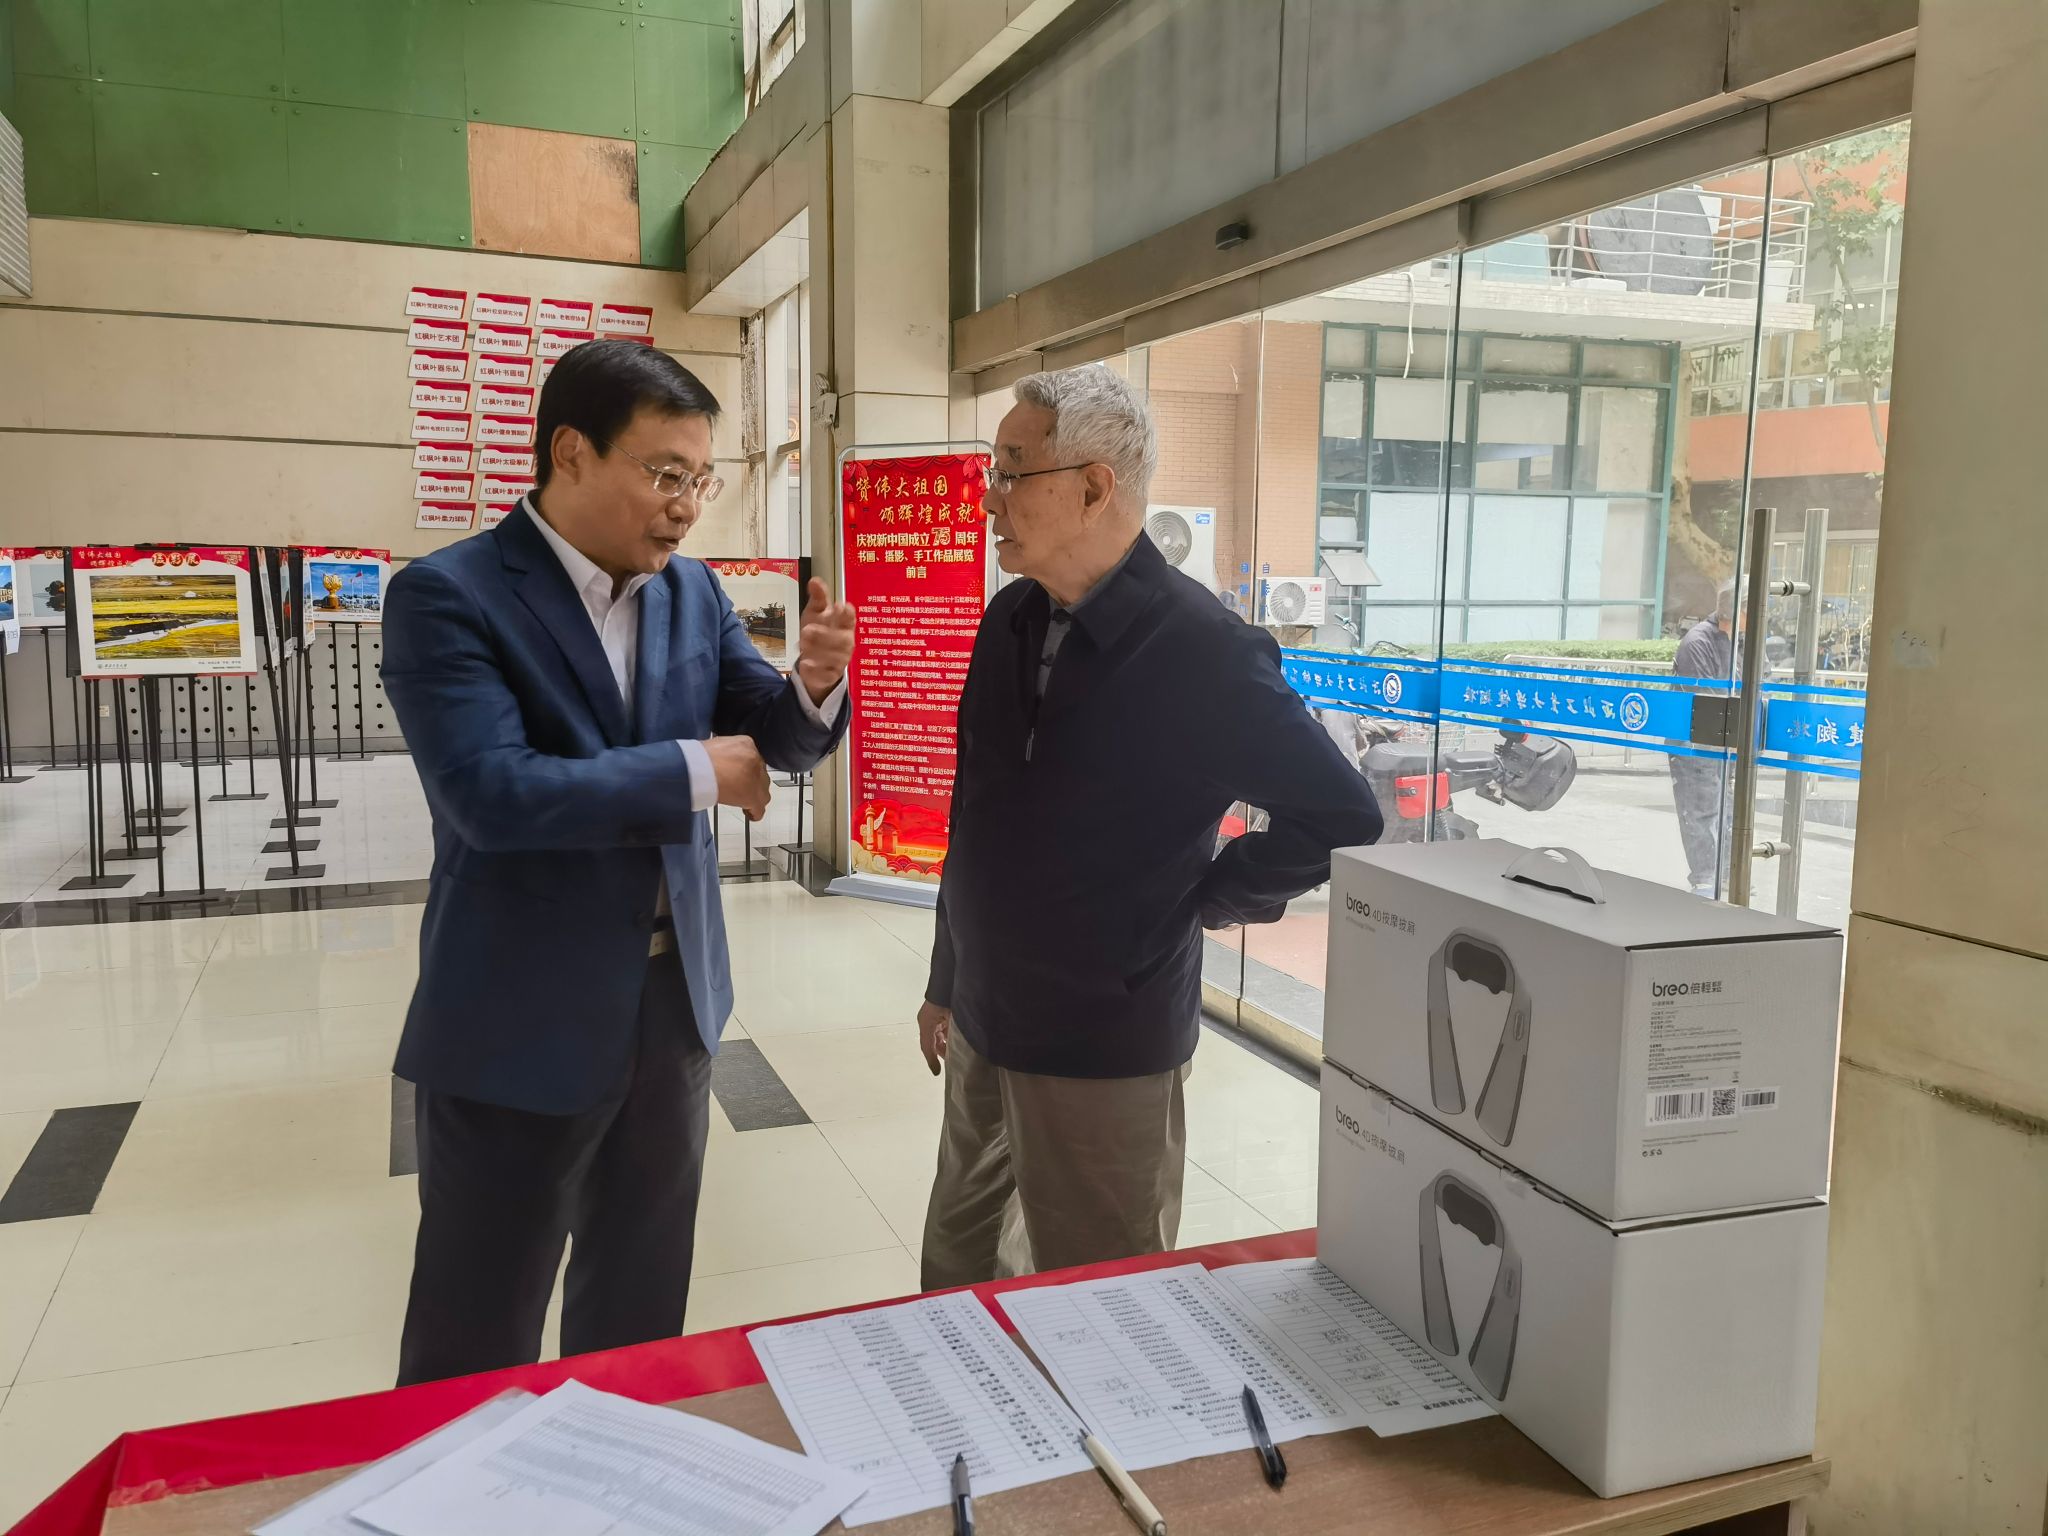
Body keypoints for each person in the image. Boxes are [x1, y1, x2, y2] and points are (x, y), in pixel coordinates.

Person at [381, 339, 854, 1385]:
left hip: (671, 1008)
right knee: (478, 1325)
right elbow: (490, 795)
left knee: (639, 1307)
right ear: (571, 453)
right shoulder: (449, 595)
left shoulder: (690, 594)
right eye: (664, 473)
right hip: (519, 1014)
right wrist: (692, 770)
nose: (685, 507)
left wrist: (813, 688)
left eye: (701, 480)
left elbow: (766, 736)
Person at [915, 366, 1382, 1289]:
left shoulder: (1201, 649)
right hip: (983, 1014)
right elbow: (975, 814)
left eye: (1011, 472)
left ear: (1094, 488)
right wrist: (945, 977)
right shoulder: (1010, 619)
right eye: (992, 472)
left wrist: (1200, 901)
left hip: (1104, 1038)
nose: (989, 499)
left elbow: (1340, 813)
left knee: (1100, 1296)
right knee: (957, 1271)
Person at [1670, 583, 1736, 898]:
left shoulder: (1740, 640)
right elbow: (1705, 697)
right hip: (1695, 741)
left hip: (1726, 741)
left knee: (1725, 808)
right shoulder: (1698, 641)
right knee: (1700, 808)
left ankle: (1725, 873)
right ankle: (1705, 877)